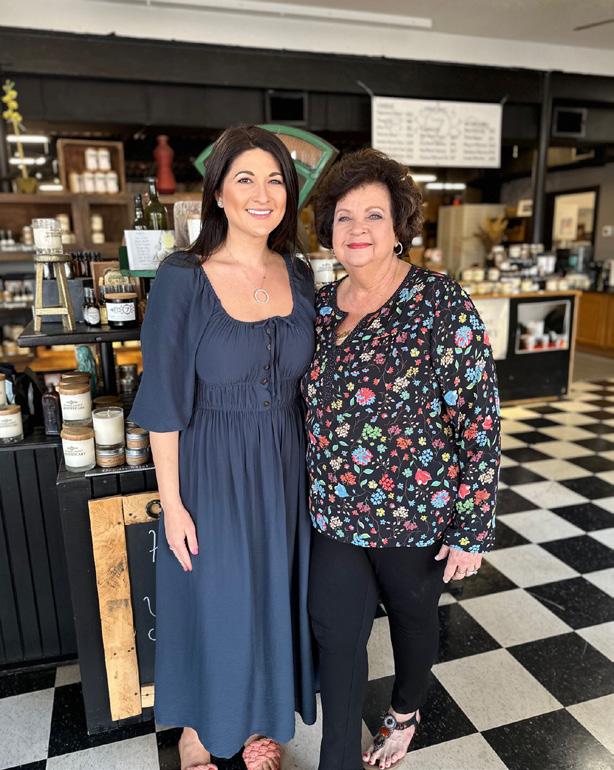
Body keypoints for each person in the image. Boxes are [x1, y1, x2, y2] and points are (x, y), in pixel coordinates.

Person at [302, 148, 500, 770]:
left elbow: (479, 419)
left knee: (414, 619)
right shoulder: (320, 306)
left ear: (398, 227)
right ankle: (337, 757)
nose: (357, 229)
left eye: (373, 215)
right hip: (334, 510)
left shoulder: (440, 302)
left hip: (415, 512)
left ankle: (405, 711)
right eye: (343, 216)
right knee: (335, 631)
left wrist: (471, 527)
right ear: (328, 229)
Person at [129, 125, 317, 770]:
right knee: (219, 599)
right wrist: (172, 504)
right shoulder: (183, 276)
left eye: (275, 180)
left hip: (287, 464)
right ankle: (200, 729)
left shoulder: (299, 273)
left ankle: (260, 718)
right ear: (217, 193)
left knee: (273, 594)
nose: (262, 194)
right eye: (245, 179)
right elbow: (163, 400)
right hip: (213, 465)